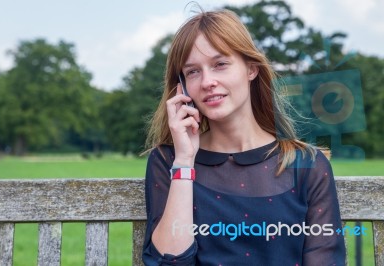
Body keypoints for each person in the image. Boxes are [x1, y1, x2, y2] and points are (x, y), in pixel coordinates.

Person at [142, 7, 346, 266]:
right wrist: (184, 161)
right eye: (193, 71)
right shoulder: (169, 160)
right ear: (181, 87)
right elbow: (168, 262)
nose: (207, 81)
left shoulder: (306, 164)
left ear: (251, 69)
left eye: (220, 65)